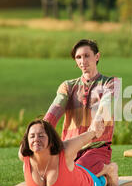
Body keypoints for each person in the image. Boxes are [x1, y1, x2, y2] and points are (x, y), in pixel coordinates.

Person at [43, 39, 119, 177]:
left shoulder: (111, 83)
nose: (82, 61)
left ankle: (109, 169)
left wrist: (98, 120)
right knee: (54, 174)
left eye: (86, 55)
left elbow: (107, 103)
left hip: (96, 147)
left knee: (77, 172)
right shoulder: (68, 86)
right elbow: (55, 108)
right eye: (78, 57)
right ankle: (106, 176)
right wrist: (42, 129)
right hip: (70, 147)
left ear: (97, 57)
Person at [18, 118, 119, 186]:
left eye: (41, 136)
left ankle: (109, 169)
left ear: (51, 140)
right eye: (32, 136)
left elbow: (85, 138)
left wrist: (95, 130)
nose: (36, 140)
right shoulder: (24, 156)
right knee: (79, 166)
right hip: (71, 172)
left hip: (86, 181)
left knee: (102, 183)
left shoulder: (66, 150)